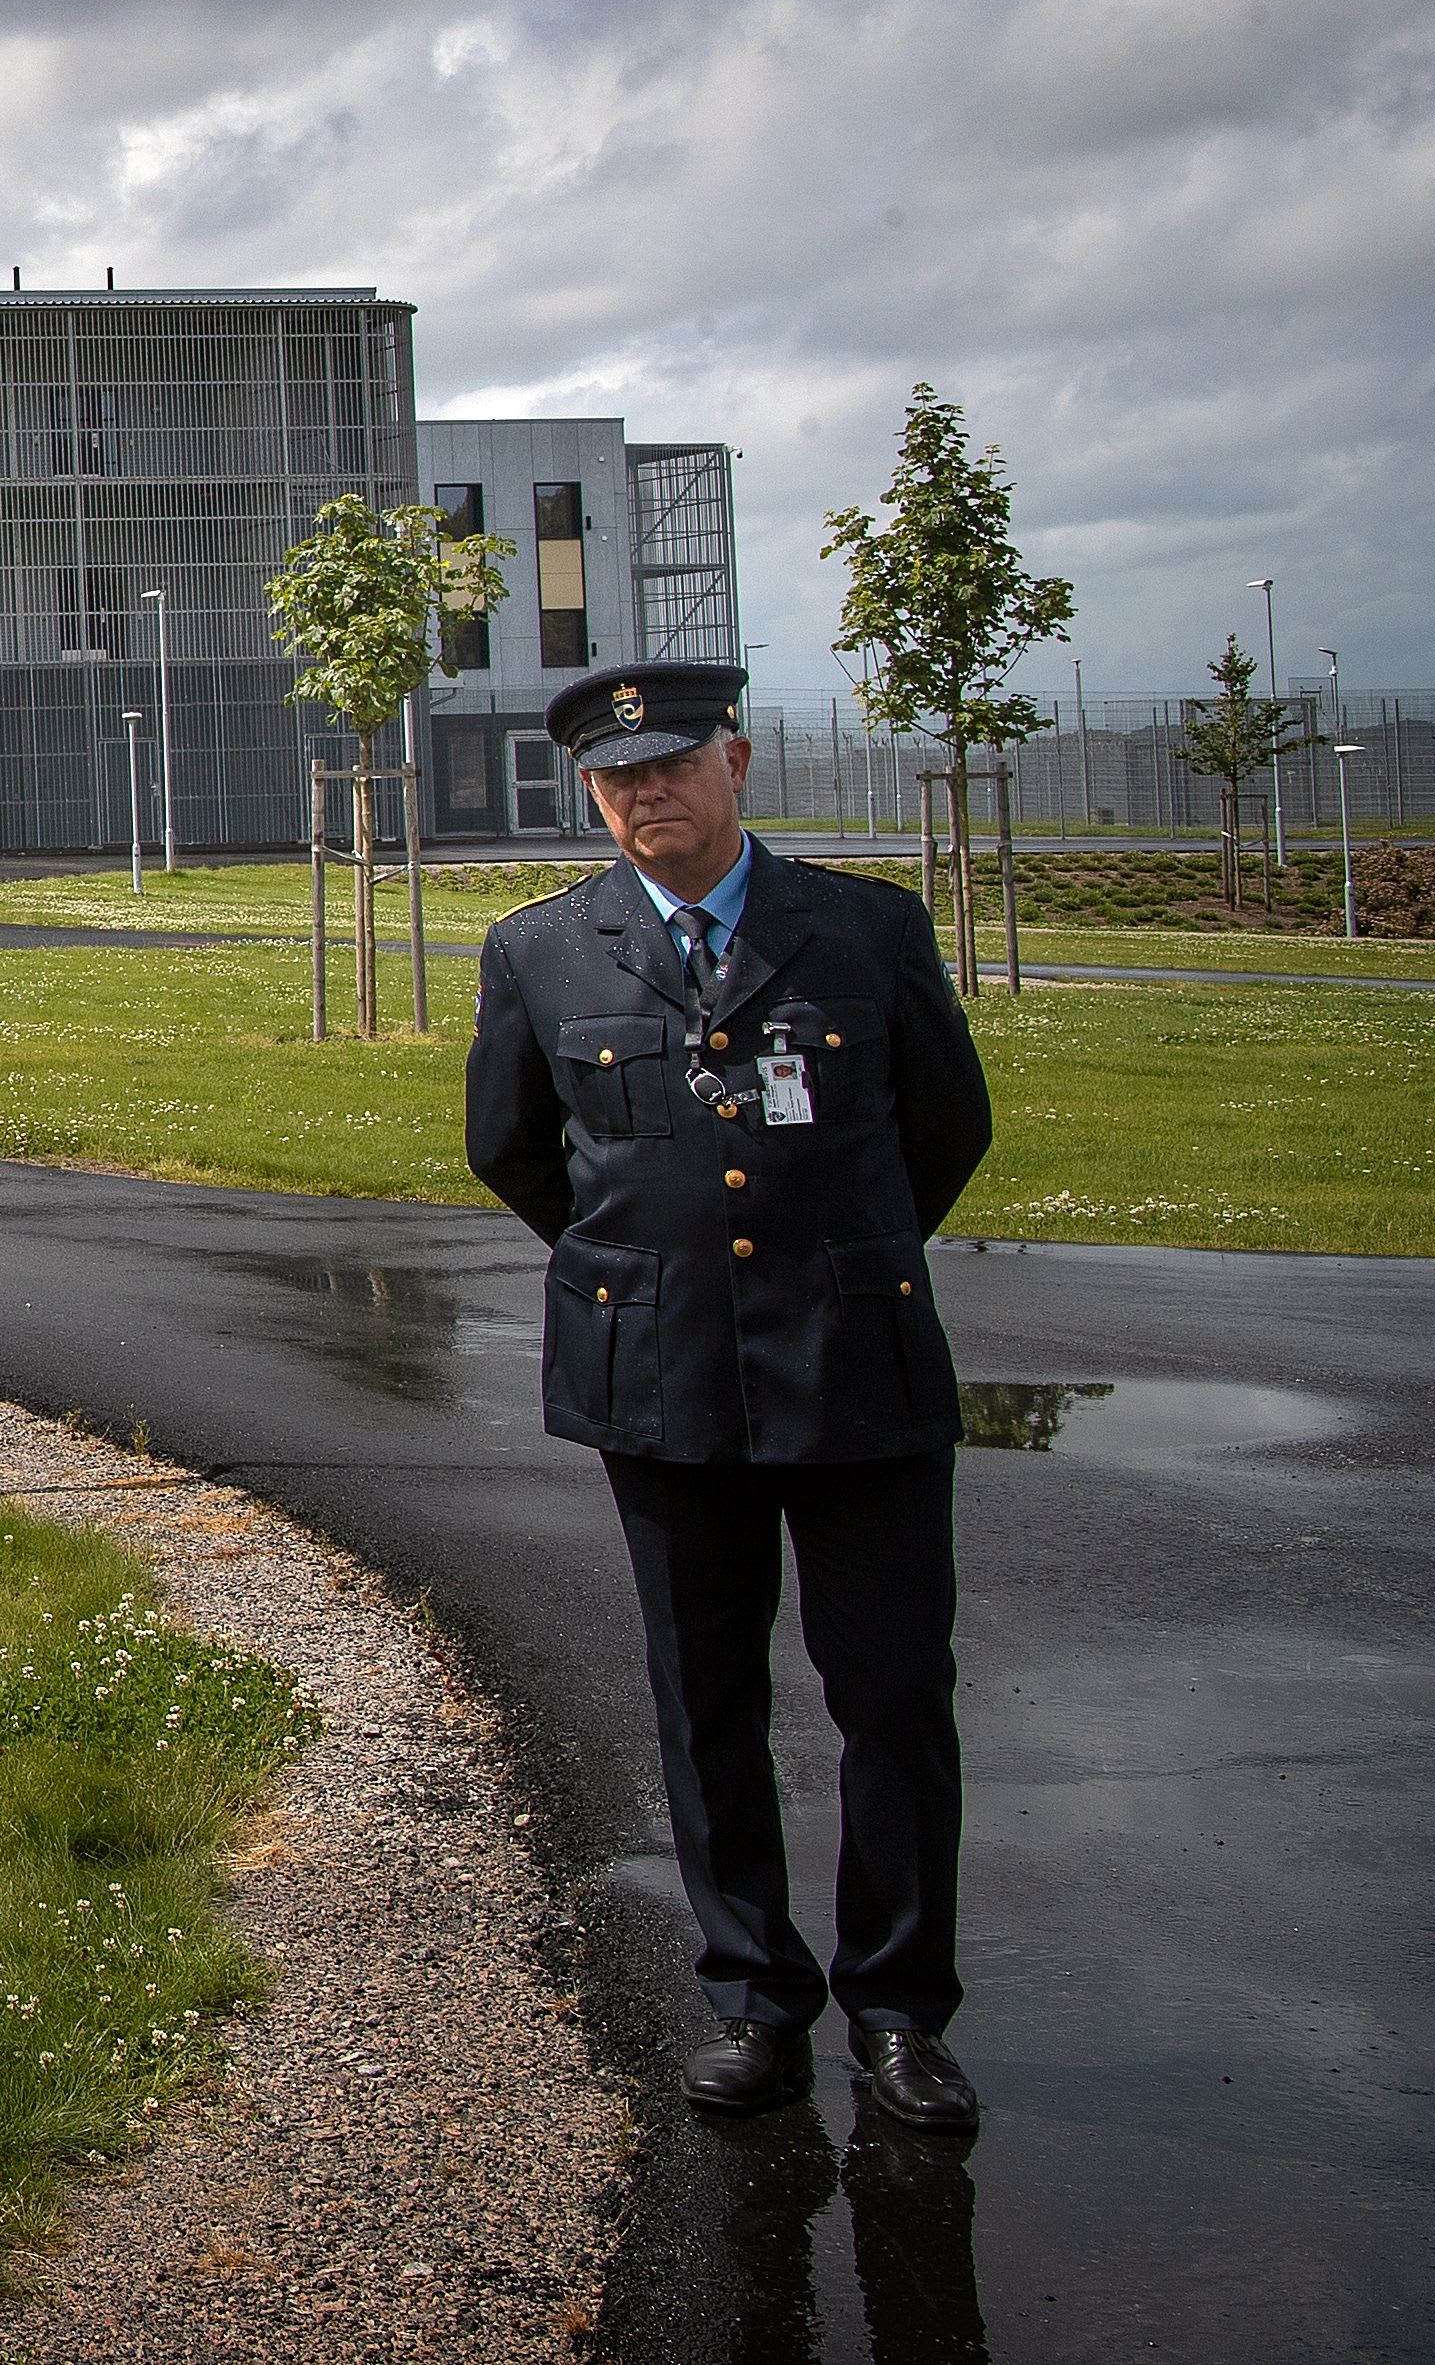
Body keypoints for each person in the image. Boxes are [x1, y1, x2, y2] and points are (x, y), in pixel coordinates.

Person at [465, 662, 996, 2137]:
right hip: (664, 1373)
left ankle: (898, 2011)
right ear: (590, 794)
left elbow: (945, 1124)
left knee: (892, 1696)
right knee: (703, 1696)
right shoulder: (539, 949)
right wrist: (643, 1269)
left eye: (671, 764)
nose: (646, 793)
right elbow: (512, 1148)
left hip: (856, 1367)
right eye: (615, 776)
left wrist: (846, 1257)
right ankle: (753, 1995)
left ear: (735, 763)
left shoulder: (865, 928)